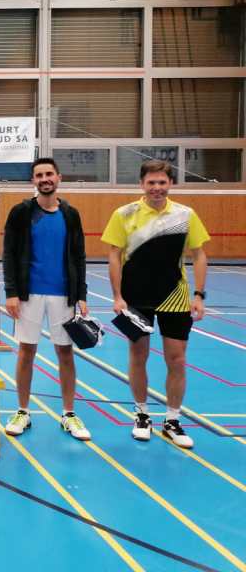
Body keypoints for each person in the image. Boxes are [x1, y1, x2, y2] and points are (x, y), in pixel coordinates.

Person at [102, 159, 210, 449]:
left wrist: (199, 294)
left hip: (174, 296)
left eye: (162, 182)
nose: (157, 188)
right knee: (138, 356)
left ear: (170, 184)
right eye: (151, 182)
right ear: (142, 184)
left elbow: (199, 254)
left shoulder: (185, 215)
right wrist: (117, 296)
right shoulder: (124, 214)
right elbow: (114, 255)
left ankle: (172, 420)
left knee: (177, 360)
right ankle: (141, 416)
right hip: (136, 297)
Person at [2, 157, 91, 441]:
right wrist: (11, 293)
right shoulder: (21, 212)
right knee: (26, 351)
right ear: (33, 181)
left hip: (63, 295)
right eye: (39, 175)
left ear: (58, 177)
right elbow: (9, 254)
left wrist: (81, 294)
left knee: (65, 353)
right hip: (28, 294)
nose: (45, 179)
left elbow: (79, 255)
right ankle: (22, 411)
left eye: (49, 174)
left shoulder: (71, 214)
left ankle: (69, 414)